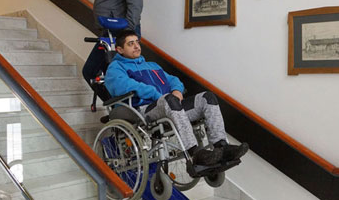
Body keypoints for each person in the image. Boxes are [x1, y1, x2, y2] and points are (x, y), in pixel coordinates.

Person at [105, 29, 249, 166]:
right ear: (120, 49)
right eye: (131, 44)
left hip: (171, 105)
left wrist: (177, 91)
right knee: (168, 100)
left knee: (207, 97)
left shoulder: (152, 65)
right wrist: (156, 94)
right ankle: (195, 153)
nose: (137, 46)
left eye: (137, 42)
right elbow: (123, 86)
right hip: (144, 110)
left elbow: (173, 80)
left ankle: (222, 146)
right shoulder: (115, 68)